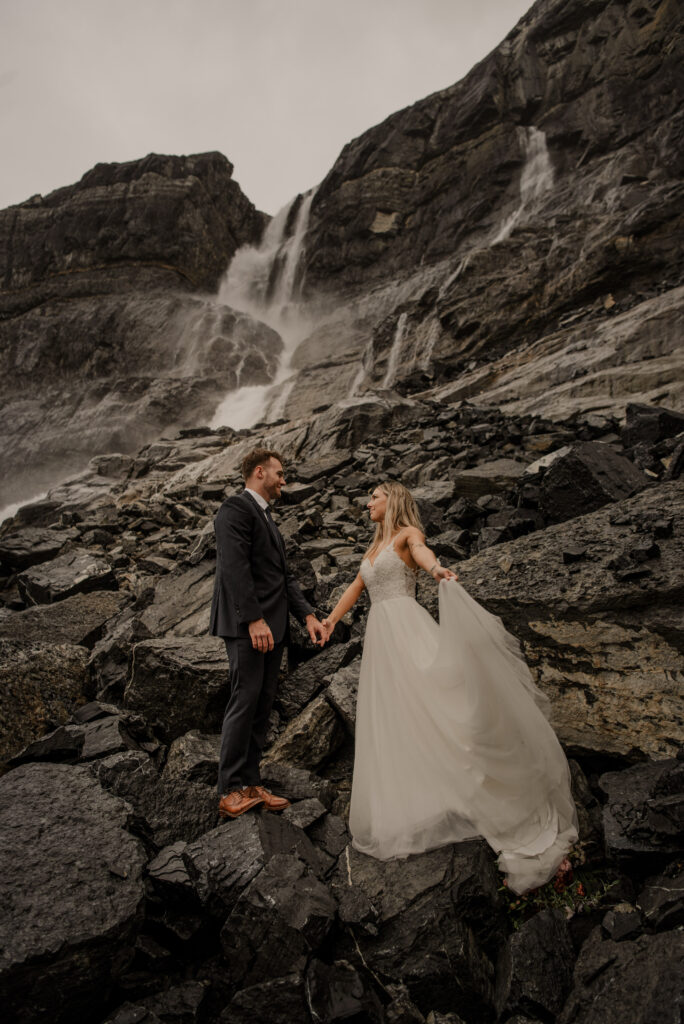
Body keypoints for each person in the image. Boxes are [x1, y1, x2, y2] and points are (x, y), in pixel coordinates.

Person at [320, 480, 578, 894]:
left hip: (407, 626)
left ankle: (486, 791)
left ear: (394, 501)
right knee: (400, 715)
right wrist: (331, 620)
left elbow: (423, 555)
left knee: (439, 704)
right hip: (382, 639)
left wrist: (436, 569)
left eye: (375, 496)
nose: (367, 502)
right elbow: (357, 587)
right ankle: (422, 795)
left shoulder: (408, 535)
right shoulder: (371, 549)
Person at [209, 447, 328, 819]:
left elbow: (284, 577)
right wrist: (253, 620)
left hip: (273, 629)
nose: (284, 479)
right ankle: (229, 789)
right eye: (280, 473)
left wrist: (307, 615)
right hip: (251, 627)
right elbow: (235, 568)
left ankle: (250, 782)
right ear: (259, 472)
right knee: (244, 699)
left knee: (262, 705)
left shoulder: (267, 518)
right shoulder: (235, 509)